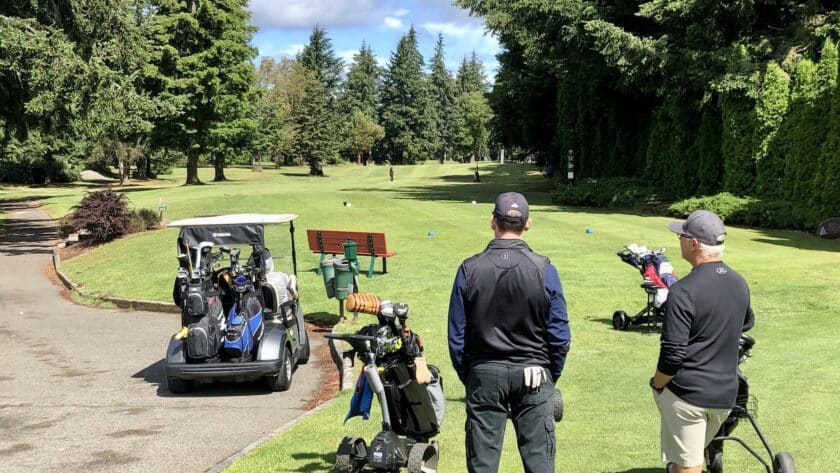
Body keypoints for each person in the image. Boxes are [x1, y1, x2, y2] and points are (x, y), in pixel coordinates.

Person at [448, 192, 571, 473]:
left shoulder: (469, 269)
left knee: (482, 463)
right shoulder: (544, 269)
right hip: (534, 371)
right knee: (539, 462)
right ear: (527, 224)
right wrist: (551, 372)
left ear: (493, 221)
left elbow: (457, 335)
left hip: (485, 371)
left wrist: (469, 374)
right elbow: (559, 334)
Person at [651, 210, 755, 473]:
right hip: (726, 396)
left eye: (682, 236)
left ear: (694, 244)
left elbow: (672, 355)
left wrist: (658, 385)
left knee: (689, 467)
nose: (679, 240)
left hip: (689, 397)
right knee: (686, 460)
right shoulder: (739, 283)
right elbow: (746, 323)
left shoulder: (682, 291)